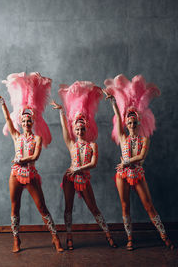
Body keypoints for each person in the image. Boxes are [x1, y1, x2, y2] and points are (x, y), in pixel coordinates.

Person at [0, 72, 63, 253]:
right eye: (24, 120)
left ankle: (55, 238)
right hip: (15, 174)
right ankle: (16, 240)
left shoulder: (37, 138)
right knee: (15, 207)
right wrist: (3, 102)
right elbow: (7, 119)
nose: (27, 121)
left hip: (30, 174)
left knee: (41, 206)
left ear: (32, 121)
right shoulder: (16, 136)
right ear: (20, 122)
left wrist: (21, 159)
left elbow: (35, 156)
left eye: (29, 119)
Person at [103, 74, 174, 250]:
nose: (132, 124)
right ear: (126, 124)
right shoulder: (123, 137)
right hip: (122, 175)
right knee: (125, 207)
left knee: (149, 206)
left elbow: (141, 157)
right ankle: (129, 239)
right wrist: (113, 101)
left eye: (134, 122)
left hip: (136, 173)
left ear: (138, 122)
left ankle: (164, 236)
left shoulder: (145, 139)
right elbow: (118, 116)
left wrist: (126, 162)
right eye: (129, 122)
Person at [51, 81, 117, 250]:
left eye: (82, 129)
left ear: (87, 128)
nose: (79, 132)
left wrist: (77, 169)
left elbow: (93, 164)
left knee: (94, 208)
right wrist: (61, 112)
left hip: (83, 178)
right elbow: (65, 129)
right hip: (69, 179)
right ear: (75, 130)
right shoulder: (71, 144)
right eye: (77, 129)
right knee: (68, 209)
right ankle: (69, 237)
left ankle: (108, 235)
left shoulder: (92, 145)